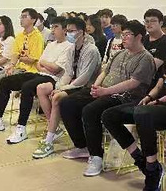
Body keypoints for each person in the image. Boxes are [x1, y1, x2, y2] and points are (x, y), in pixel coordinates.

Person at [101, 18, 166, 191]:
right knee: (110, 115)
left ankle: (152, 168)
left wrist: (159, 101)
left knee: (143, 114)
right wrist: (149, 97)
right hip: (157, 106)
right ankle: (142, 161)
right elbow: (160, 83)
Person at [58, 20, 155, 176]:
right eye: (122, 34)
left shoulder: (145, 58)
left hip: (124, 97)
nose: (123, 38)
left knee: (90, 110)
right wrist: (96, 87)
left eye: (127, 35)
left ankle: (96, 156)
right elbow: (105, 72)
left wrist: (105, 91)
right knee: (67, 103)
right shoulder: (119, 53)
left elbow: (133, 83)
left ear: (139, 37)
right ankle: (82, 146)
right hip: (104, 90)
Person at [0, 17, 72, 142]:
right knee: (5, 81)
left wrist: (44, 64)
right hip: (39, 73)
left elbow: (56, 69)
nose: (53, 30)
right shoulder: (50, 45)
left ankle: (21, 128)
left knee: (27, 87)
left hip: (53, 79)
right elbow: (39, 63)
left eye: (56, 27)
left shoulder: (69, 47)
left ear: (65, 30)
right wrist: (45, 66)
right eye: (52, 27)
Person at [32, 17, 101, 159]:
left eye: (72, 31)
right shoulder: (71, 48)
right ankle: (54, 133)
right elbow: (68, 73)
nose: (68, 33)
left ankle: (49, 140)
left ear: (81, 32)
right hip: (74, 85)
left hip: (88, 87)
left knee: (58, 98)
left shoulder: (91, 50)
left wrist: (64, 89)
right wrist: (60, 86)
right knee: (50, 91)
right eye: (67, 30)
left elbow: (84, 78)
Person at [0, 8, 44, 125]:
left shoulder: (37, 37)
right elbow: (15, 54)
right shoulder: (20, 36)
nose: (21, 19)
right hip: (17, 67)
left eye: (24, 17)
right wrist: (11, 65)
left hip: (29, 70)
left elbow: (32, 59)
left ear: (33, 20)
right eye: (21, 17)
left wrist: (17, 58)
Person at [143, 9, 166, 78]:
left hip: (156, 79)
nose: (149, 24)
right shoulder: (143, 39)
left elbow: (152, 67)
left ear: (161, 23)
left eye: (153, 21)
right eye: (147, 21)